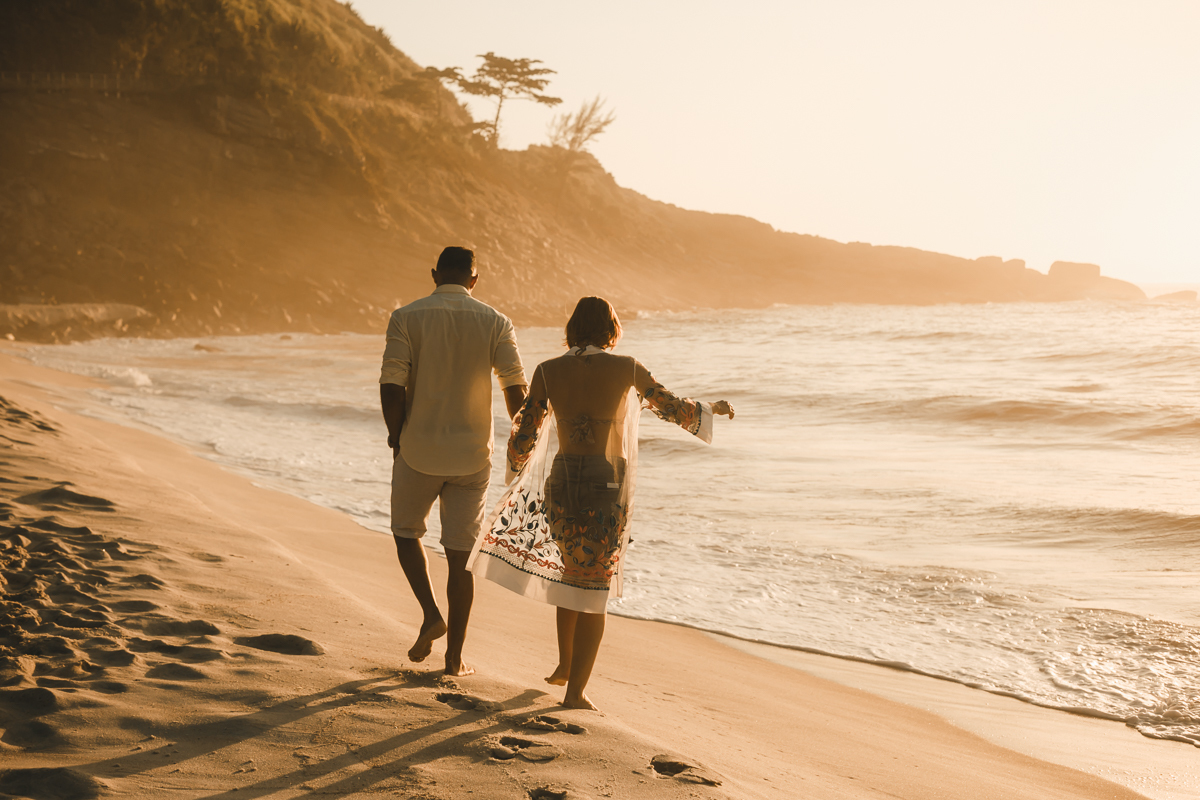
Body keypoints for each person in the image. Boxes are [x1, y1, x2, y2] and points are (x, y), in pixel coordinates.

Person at [468, 296, 734, 709]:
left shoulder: (547, 370)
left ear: (572, 327)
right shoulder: (626, 367)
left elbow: (527, 430)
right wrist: (711, 408)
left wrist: (515, 470)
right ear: (611, 329)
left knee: (570, 573)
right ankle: (575, 692)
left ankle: (563, 666)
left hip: (562, 480)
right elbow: (671, 406)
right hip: (606, 485)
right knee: (594, 587)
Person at [379, 246, 527, 676]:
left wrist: (396, 433)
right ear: (475, 280)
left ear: (434, 274)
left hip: (418, 448)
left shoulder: (406, 316)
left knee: (406, 532)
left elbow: (392, 381)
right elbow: (515, 388)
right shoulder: (496, 321)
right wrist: (525, 442)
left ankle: (430, 613)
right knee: (461, 557)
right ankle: (455, 659)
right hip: (472, 456)